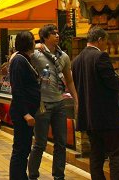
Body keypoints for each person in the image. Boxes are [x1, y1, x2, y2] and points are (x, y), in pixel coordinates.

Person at [72, 27, 119, 180]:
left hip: (89, 117)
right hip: (107, 117)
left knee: (96, 155)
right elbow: (110, 81)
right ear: (100, 40)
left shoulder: (76, 60)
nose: (106, 45)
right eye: (106, 41)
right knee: (117, 155)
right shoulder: (100, 56)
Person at [28, 24, 78, 180]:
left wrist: (76, 100)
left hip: (59, 103)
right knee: (40, 143)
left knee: (61, 143)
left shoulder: (64, 57)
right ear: (45, 37)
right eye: (53, 33)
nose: (57, 35)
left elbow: (69, 81)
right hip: (42, 105)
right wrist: (34, 46)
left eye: (57, 33)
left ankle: (59, 176)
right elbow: (16, 57)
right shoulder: (36, 54)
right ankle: (33, 175)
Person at [8, 31, 40, 180]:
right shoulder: (19, 61)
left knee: (24, 147)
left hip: (26, 110)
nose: (35, 43)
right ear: (28, 43)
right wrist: (26, 113)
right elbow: (18, 89)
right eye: (33, 40)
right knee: (20, 149)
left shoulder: (24, 59)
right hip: (23, 113)